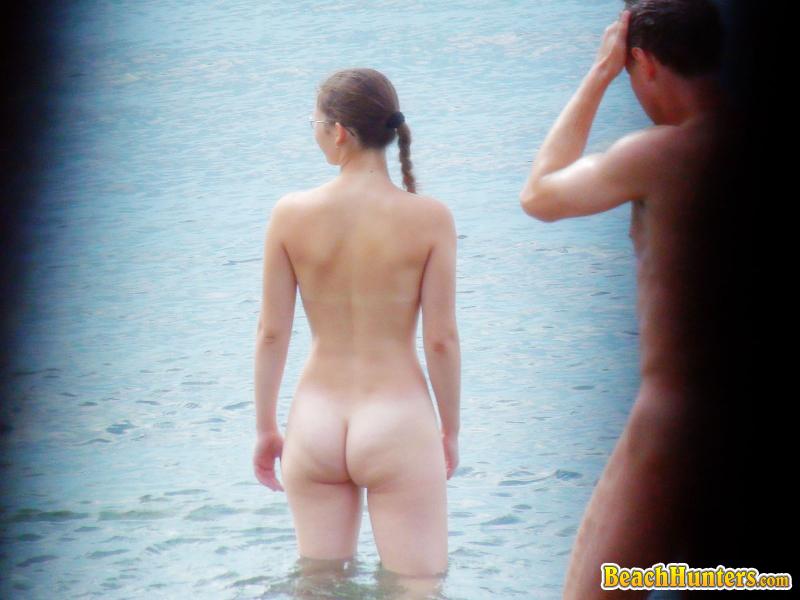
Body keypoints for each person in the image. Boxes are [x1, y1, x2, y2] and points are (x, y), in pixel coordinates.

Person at [519, 1, 739, 597]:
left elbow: (539, 195)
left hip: (678, 420)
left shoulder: (660, 154)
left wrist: (598, 74)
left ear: (643, 62)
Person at [251, 68, 461, 585]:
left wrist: (265, 428)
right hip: (397, 420)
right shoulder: (431, 218)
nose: (314, 132)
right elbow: (440, 340)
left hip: (315, 421)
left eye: (314, 123)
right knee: (417, 588)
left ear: (339, 131)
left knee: (318, 586)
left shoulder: (290, 214)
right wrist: (450, 430)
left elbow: (271, 333)